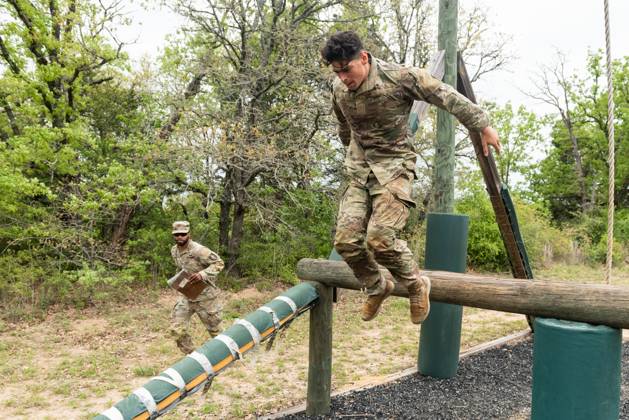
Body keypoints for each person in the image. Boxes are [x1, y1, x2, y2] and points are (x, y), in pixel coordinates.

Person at [321, 31, 501, 324]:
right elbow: (343, 121)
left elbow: (445, 95)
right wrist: (347, 146)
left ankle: (417, 284)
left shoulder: (401, 77)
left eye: (347, 69)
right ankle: (378, 287)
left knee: (379, 238)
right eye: (337, 72)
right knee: (346, 241)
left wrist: (483, 125)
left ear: (363, 58)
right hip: (360, 171)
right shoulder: (338, 88)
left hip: (394, 169)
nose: (343, 77)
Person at [169, 220, 225, 354]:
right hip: (187, 296)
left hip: (205, 297)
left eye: (183, 234)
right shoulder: (174, 251)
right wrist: (178, 283)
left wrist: (203, 274)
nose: (180, 237)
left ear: (189, 234)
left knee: (216, 331)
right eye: (177, 235)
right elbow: (182, 269)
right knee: (176, 330)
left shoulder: (199, 250)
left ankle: (228, 355)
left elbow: (219, 263)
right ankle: (192, 356)